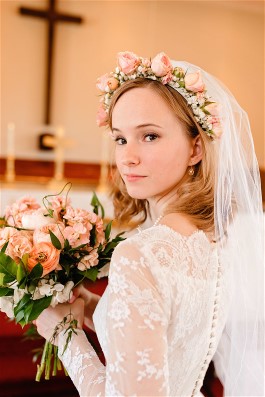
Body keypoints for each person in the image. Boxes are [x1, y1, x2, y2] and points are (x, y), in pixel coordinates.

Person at [36, 51, 264, 396]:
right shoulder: (212, 237)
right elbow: (172, 332)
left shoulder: (139, 255)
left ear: (195, 149)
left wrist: (66, 339)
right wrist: (92, 306)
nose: (128, 156)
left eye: (150, 136)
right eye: (120, 139)